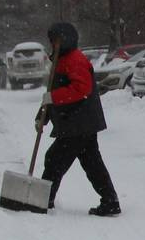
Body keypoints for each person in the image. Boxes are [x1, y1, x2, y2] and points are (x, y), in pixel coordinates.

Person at [37, 21, 120, 216]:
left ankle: (42, 201)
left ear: (66, 39)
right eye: (52, 41)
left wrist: (54, 98)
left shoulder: (75, 60)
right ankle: (110, 201)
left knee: (54, 159)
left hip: (78, 123)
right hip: (78, 123)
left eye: (56, 40)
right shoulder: (62, 60)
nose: (53, 45)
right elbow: (53, 92)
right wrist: (42, 116)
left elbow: (81, 90)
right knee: (92, 163)